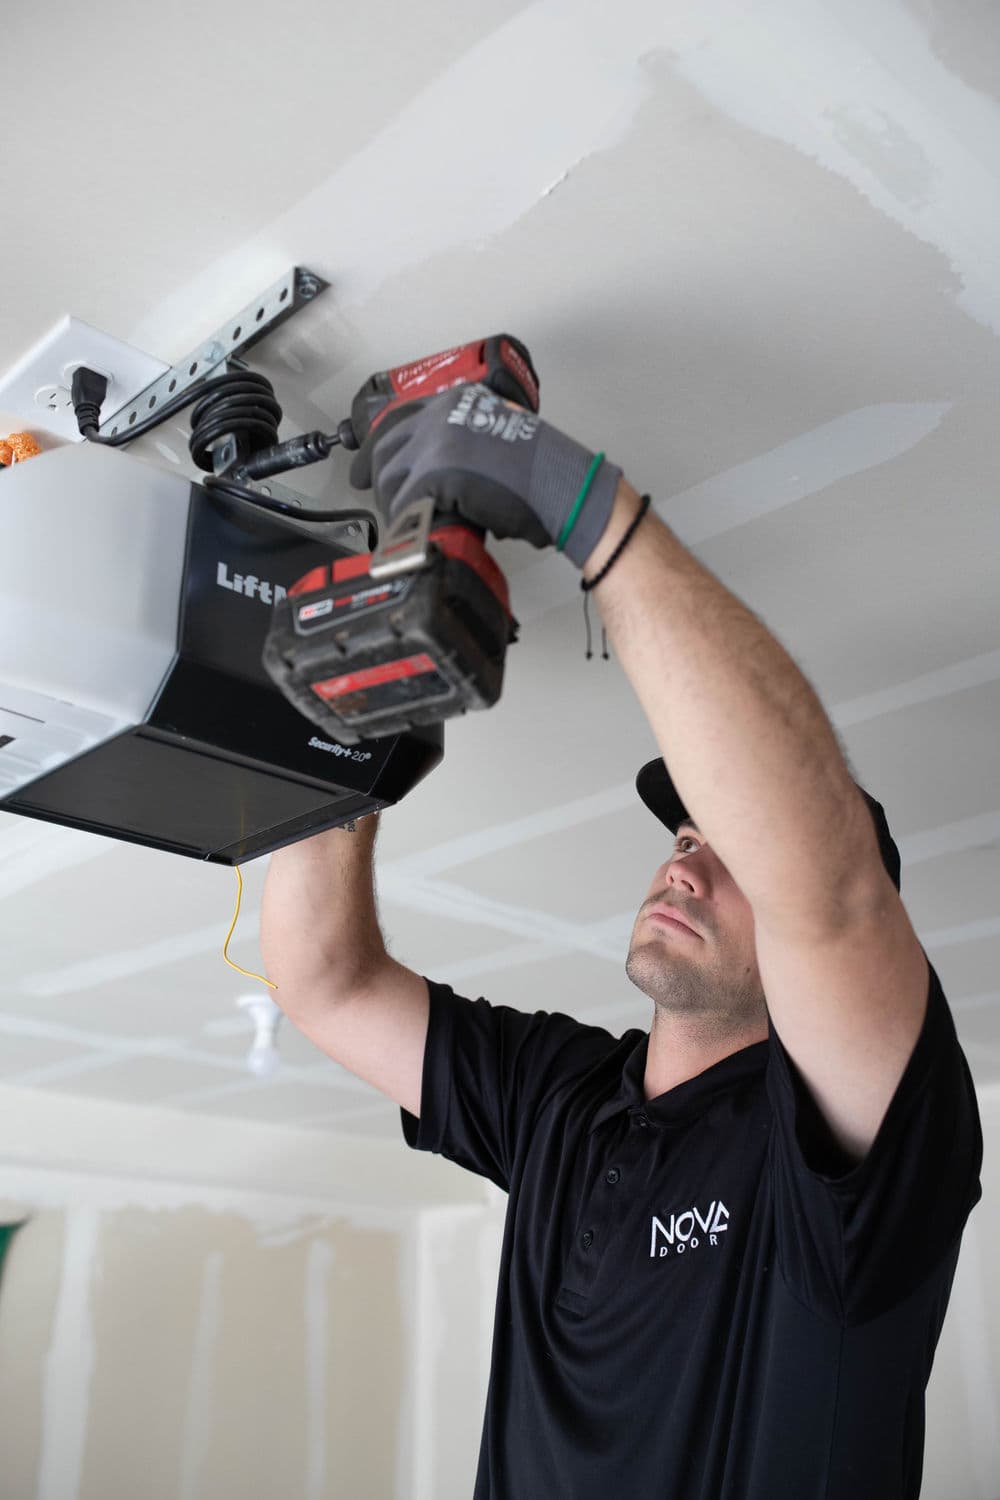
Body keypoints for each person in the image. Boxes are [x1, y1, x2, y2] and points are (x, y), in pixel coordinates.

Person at [260, 380, 983, 1499]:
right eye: (686, 834)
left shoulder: (841, 1145)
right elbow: (327, 984)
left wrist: (568, 492)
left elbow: (828, 896)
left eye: (734, 856)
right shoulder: (559, 1097)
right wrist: (349, 739)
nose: (687, 860)